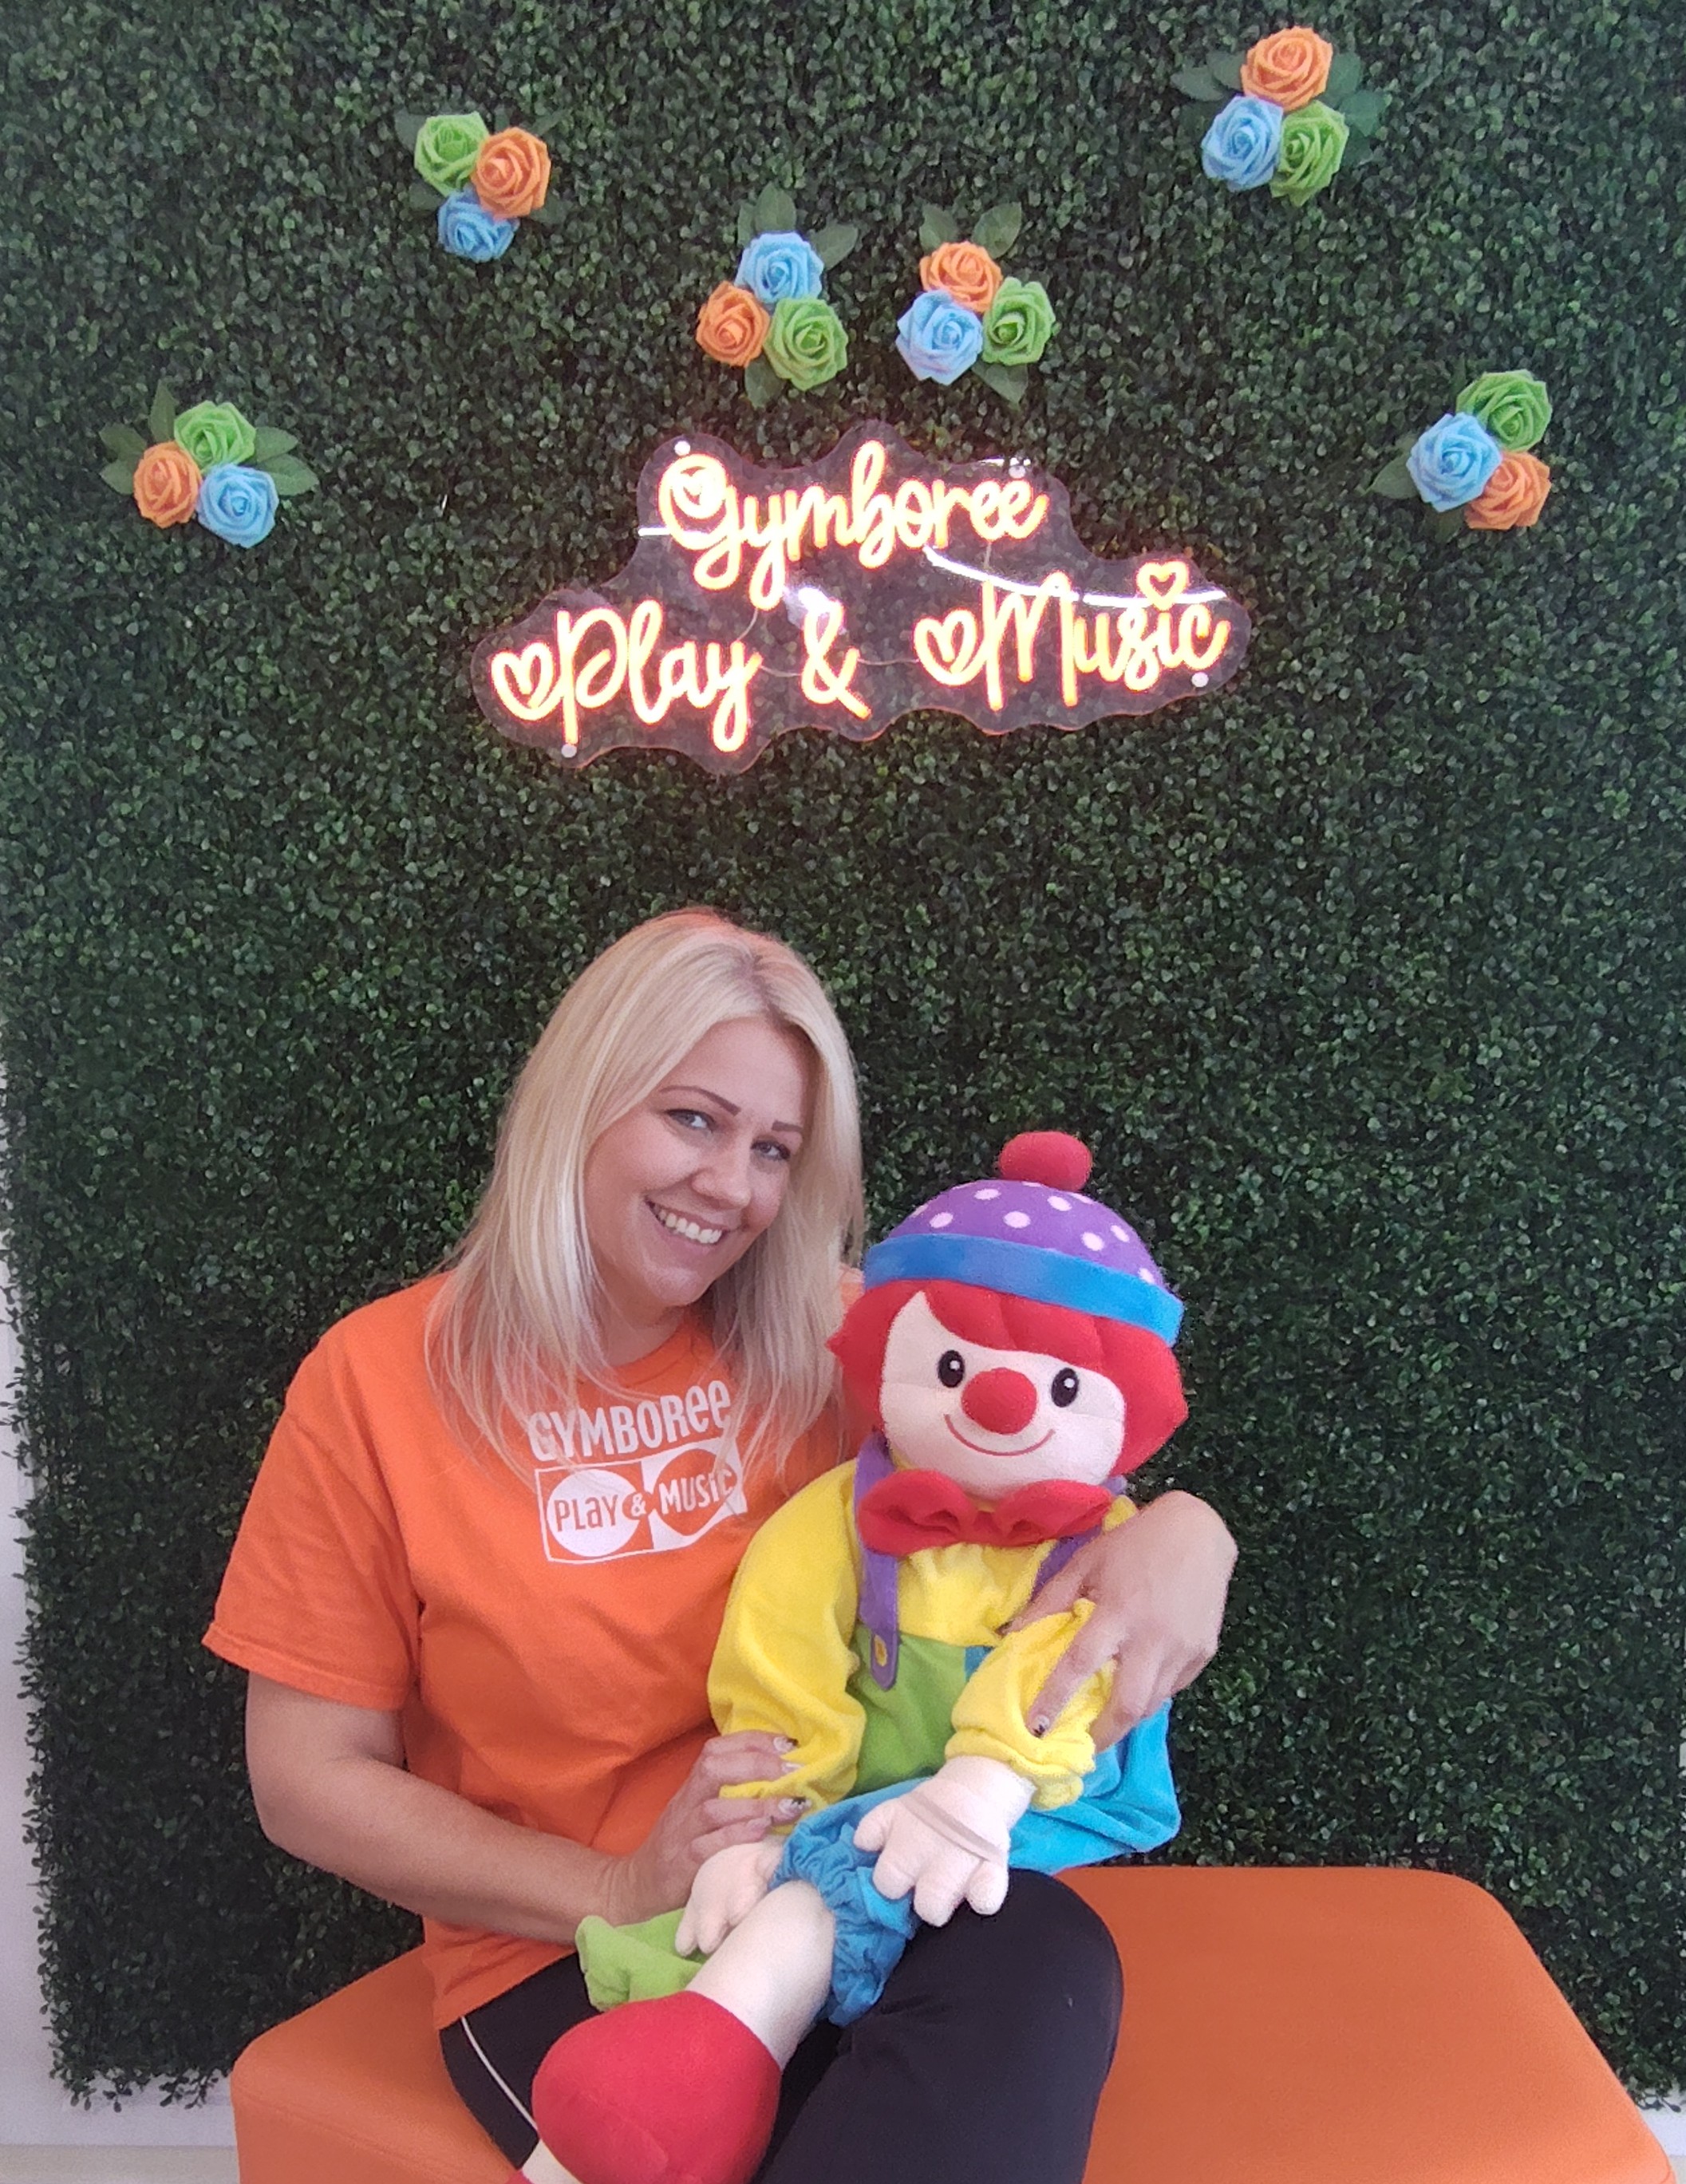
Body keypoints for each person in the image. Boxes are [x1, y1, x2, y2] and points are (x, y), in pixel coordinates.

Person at [206, 909, 1238, 2184]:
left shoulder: (841, 1339)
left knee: (1047, 1951)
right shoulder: (375, 1382)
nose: (732, 1187)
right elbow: (306, 1776)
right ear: (582, 1098)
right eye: (692, 1119)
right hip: (576, 1950)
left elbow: (1051, 1456)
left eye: (773, 1149)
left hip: (860, 1874)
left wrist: (1187, 1529)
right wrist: (612, 1881)